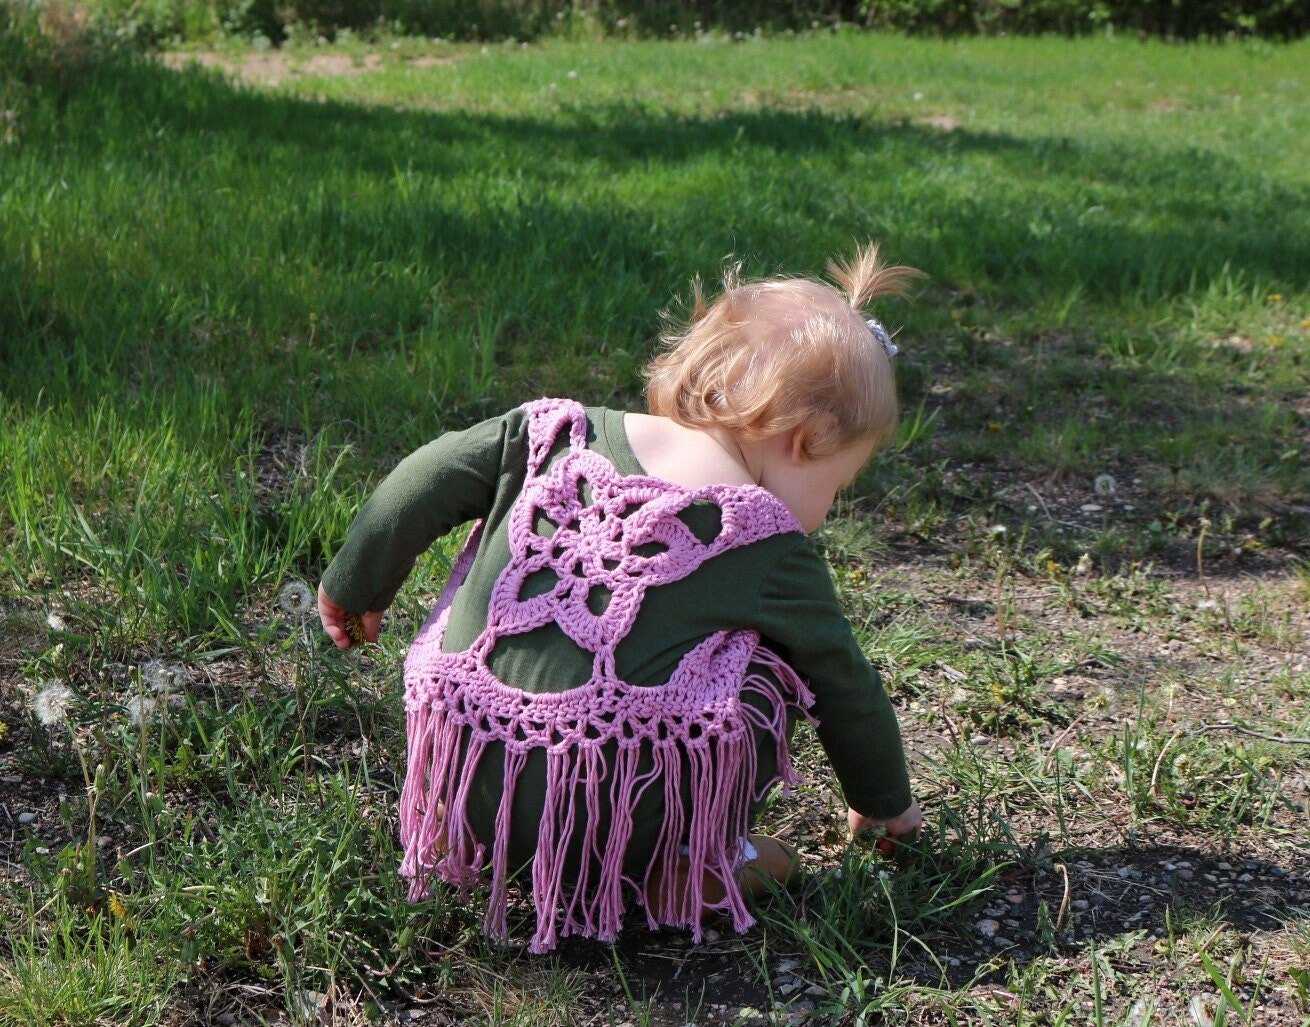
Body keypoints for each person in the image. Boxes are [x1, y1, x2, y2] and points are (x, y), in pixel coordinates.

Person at [318, 242, 923, 953]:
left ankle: (488, 835)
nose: (825, 510)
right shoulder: (764, 541)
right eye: (838, 486)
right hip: (624, 823)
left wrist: (353, 584)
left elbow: (426, 475)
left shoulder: (551, 434)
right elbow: (844, 681)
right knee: (772, 669)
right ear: (806, 440)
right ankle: (690, 865)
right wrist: (885, 807)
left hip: (476, 785)